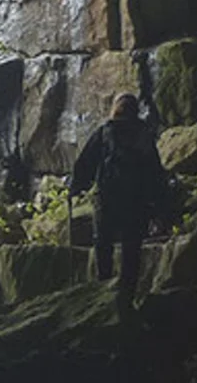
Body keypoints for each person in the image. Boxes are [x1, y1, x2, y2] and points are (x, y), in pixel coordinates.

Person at [69, 93, 169, 320]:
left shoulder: (106, 132)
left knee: (103, 247)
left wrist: (76, 188)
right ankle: (127, 298)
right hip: (137, 203)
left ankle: (103, 297)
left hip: (108, 200)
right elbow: (155, 173)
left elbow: (84, 164)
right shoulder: (144, 136)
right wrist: (161, 208)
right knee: (131, 252)